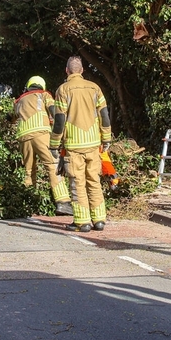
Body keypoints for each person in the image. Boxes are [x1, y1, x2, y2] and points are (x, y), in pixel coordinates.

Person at [50, 56, 112, 232]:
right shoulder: (95, 88)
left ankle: (82, 222)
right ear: (82, 70)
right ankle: (99, 220)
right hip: (93, 144)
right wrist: (106, 139)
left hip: (73, 146)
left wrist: (54, 144)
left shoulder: (63, 90)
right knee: (94, 181)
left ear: (67, 71)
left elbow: (59, 121)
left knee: (77, 183)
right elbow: (105, 116)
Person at [13, 76, 73, 216]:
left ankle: (28, 203)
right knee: (53, 165)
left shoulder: (19, 100)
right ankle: (63, 203)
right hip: (41, 134)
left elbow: (11, 117)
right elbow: (54, 111)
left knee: (29, 170)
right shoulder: (44, 95)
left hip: (24, 137)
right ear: (42, 86)